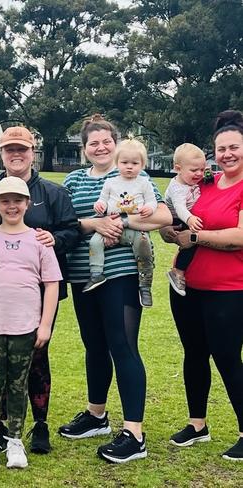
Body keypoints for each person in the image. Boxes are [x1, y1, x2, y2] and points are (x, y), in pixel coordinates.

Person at [59, 114, 171, 464]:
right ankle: (96, 416)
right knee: (94, 346)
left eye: (106, 140)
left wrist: (120, 222)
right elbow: (64, 221)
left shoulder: (132, 173)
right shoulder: (75, 179)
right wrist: (93, 223)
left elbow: (164, 216)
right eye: (93, 142)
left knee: (122, 346)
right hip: (83, 275)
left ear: (117, 143)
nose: (101, 147)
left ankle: (134, 433)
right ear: (84, 148)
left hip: (121, 274)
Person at [0, 126, 80, 454]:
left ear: (33, 151)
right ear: (2, 153)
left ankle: (40, 424)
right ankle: (3, 426)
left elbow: (72, 230)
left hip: (40, 291)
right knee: (0, 358)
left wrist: (55, 239)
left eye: (22, 149)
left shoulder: (52, 192)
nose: (16, 154)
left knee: (36, 356)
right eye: (9, 149)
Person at [0, 177, 61, 469]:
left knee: (18, 385)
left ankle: (16, 441)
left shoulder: (39, 240)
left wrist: (45, 325)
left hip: (25, 328)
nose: (12, 206)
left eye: (17, 201)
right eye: (5, 201)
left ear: (27, 204)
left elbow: (52, 284)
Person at [164, 110, 243, 461]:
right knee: (195, 355)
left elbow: (239, 237)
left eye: (234, 148)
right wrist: (171, 232)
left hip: (228, 289)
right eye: (221, 148)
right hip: (188, 287)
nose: (226, 154)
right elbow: (175, 218)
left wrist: (195, 236)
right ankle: (198, 425)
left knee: (227, 357)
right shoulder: (204, 183)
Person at [84, 138, 157, 307]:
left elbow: (152, 201)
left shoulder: (144, 182)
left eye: (134, 163)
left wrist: (149, 208)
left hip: (133, 227)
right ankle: (96, 273)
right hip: (110, 225)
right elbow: (102, 201)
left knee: (143, 246)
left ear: (142, 164)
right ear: (117, 163)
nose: (129, 166)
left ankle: (145, 283)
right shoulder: (111, 182)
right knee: (95, 242)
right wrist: (100, 206)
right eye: (124, 162)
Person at [164, 143, 207, 296]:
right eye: (194, 170)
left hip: (185, 217)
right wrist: (189, 219)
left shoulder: (191, 181)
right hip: (176, 219)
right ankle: (178, 272)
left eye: (202, 169)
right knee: (191, 242)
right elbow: (180, 207)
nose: (199, 174)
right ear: (178, 169)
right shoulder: (177, 188)